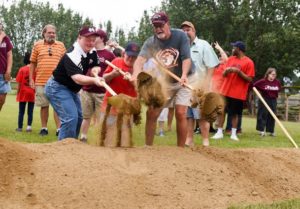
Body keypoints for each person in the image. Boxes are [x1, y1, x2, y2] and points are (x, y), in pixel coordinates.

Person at [131, 12, 195, 147]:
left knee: (180, 112)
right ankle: (148, 147)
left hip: (185, 79)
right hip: (165, 82)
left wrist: (183, 75)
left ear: (168, 24)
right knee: (152, 112)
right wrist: (136, 74)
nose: (158, 29)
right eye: (155, 26)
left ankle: (180, 150)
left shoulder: (180, 36)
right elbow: (139, 61)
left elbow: (186, 58)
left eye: (161, 25)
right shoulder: (150, 42)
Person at [44, 26, 103, 140]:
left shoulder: (92, 50)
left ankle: (72, 148)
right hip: (57, 87)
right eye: (88, 39)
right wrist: (94, 80)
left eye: (93, 40)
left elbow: (95, 65)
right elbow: (77, 78)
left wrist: (96, 70)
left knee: (79, 118)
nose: (91, 43)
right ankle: (63, 149)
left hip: (72, 89)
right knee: (70, 118)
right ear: (79, 37)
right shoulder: (73, 54)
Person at [181, 21, 219, 147]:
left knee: (202, 116)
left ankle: (205, 140)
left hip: (201, 87)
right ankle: (189, 139)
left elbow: (211, 66)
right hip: (186, 87)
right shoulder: (181, 47)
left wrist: (206, 84)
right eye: (183, 30)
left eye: (188, 30)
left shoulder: (204, 45)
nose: (186, 32)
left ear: (194, 31)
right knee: (188, 116)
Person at [212, 41, 255, 141]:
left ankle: (234, 134)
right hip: (225, 90)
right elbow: (223, 74)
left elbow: (250, 79)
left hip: (238, 93)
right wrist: (226, 72)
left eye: (233, 48)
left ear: (239, 50)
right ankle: (219, 132)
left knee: (235, 114)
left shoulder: (249, 62)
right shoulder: (231, 59)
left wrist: (238, 72)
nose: (232, 50)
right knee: (221, 111)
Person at [29, 24, 66, 136]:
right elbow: (33, 63)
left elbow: (66, 63)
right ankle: (44, 128)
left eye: (53, 32)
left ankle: (59, 129)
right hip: (41, 81)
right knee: (44, 106)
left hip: (57, 82)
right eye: (49, 32)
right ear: (44, 33)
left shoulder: (61, 45)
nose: (52, 34)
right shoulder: (37, 45)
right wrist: (31, 79)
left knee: (57, 106)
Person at [79, 29, 115, 142]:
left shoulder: (110, 55)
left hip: (102, 92)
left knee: (101, 117)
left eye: (96, 36)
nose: (93, 39)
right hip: (87, 90)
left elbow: (115, 69)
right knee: (86, 116)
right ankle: (83, 137)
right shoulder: (89, 51)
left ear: (102, 38)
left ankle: (100, 138)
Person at [101, 41, 139, 147]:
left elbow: (142, 90)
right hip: (110, 106)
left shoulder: (139, 69)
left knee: (124, 139)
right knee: (107, 137)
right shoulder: (116, 62)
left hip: (127, 108)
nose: (131, 59)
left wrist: (132, 80)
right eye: (129, 55)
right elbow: (103, 80)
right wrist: (113, 74)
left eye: (134, 57)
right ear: (124, 54)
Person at [254, 68, 281, 136]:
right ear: (268, 74)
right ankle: (261, 130)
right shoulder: (263, 81)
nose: (273, 76)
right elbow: (254, 86)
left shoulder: (277, 82)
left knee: (272, 115)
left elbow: (279, 89)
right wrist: (258, 93)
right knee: (263, 114)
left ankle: (271, 131)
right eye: (272, 74)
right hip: (264, 99)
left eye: (275, 75)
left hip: (273, 100)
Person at [15, 52, 35, 132]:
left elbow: (19, 83)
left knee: (21, 111)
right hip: (32, 93)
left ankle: (20, 127)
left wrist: (18, 92)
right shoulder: (35, 70)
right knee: (30, 111)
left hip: (23, 93)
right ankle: (29, 127)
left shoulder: (22, 69)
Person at [0, 22, 13, 111]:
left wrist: (8, 70)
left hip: (3, 74)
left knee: (2, 100)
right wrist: (1, 37)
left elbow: (9, 55)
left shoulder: (6, 39)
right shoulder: (2, 37)